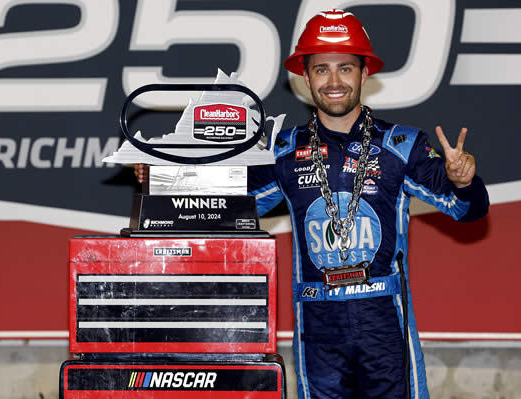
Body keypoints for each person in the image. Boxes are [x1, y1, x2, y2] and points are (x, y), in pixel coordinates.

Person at [135, 9, 489, 398]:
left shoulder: (400, 146)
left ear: (364, 74)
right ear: (306, 78)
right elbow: (228, 200)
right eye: (322, 69)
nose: (334, 81)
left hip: (383, 325)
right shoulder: (284, 150)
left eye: (345, 69)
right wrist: (165, 178)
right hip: (318, 328)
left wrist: (465, 181)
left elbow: (468, 211)